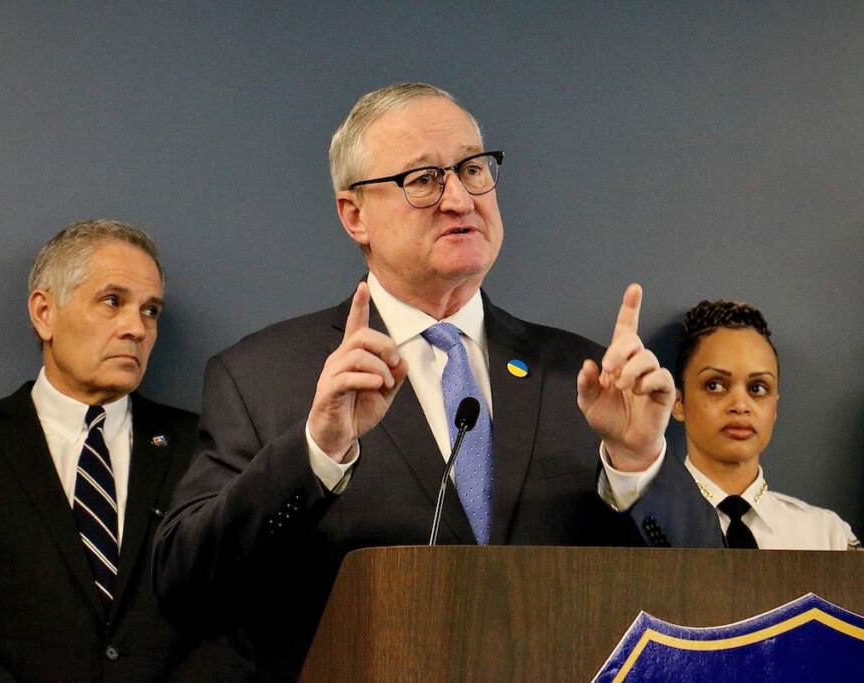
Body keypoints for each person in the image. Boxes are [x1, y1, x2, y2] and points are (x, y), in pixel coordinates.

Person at [153, 83, 720, 681]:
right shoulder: (262, 377)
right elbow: (187, 593)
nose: (459, 198)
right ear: (354, 215)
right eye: (422, 179)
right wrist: (315, 452)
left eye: (473, 169)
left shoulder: (585, 379)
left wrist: (637, 463)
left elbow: (710, 597)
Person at [0, 220, 248, 681]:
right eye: (113, 302)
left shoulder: (206, 450)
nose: (136, 328)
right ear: (44, 313)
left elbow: (236, 624)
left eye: (150, 311)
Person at [671, 299, 861, 550]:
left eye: (757, 388)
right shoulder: (644, 524)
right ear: (678, 402)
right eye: (715, 385)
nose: (740, 405)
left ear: (774, 407)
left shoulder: (827, 536)